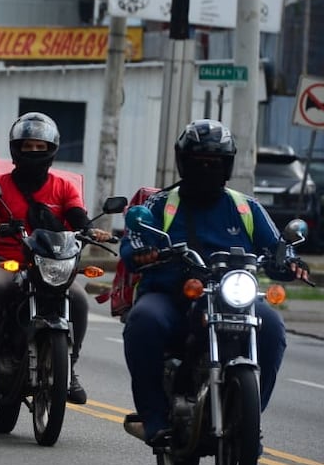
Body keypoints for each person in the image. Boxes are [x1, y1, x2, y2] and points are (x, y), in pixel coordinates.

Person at [119, 119, 308, 446]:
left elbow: (276, 246)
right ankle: (153, 418)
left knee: (273, 326)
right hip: (173, 297)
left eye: (215, 162)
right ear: (183, 162)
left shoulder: (245, 207)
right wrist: (144, 252)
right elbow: (133, 241)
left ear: (228, 165)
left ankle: (247, 422)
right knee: (143, 321)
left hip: (232, 296)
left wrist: (289, 261)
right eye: (199, 161)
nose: (207, 168)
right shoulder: (162, 204)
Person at [0, 112, 111, 403]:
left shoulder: (63, 187)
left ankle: (68, 369)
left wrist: (91, 231)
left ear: (51, 150)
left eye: (40, 147)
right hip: (9, 260)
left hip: (51, 264)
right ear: (16, 148)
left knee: (79, 299)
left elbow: (77, 216)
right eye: (27, 146)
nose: (33, 152)